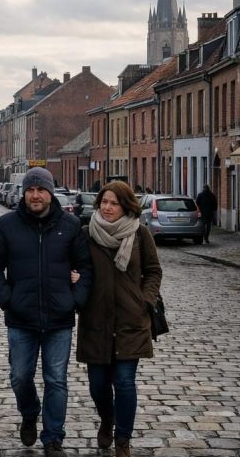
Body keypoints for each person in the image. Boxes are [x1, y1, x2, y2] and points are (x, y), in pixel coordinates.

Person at [0, 167, 93, 457]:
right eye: (30, 190)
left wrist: (74, 301)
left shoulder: (70, 225)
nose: (35, 195)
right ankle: (30, 412)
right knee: (20, 377)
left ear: (50, 193)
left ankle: (53, 438)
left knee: (56, 380)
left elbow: (86, 268)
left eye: (41, 190)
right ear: (24, 193)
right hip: (21, 318)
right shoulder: (6, 225)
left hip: (59, 319)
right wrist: (9, 300)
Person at [76, 181, 163, 457]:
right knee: (97, 385)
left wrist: (145, 301)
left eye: (114, 203)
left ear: (126, 206)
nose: (108, 207)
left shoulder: (140, 234)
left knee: (124, 382)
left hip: (130, 321)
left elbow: (153, 271)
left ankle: (123, 440)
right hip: (96, 321)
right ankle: (107, 419)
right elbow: (74, 266)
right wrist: (74, 280)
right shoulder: (87, 234)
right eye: (104, 202)